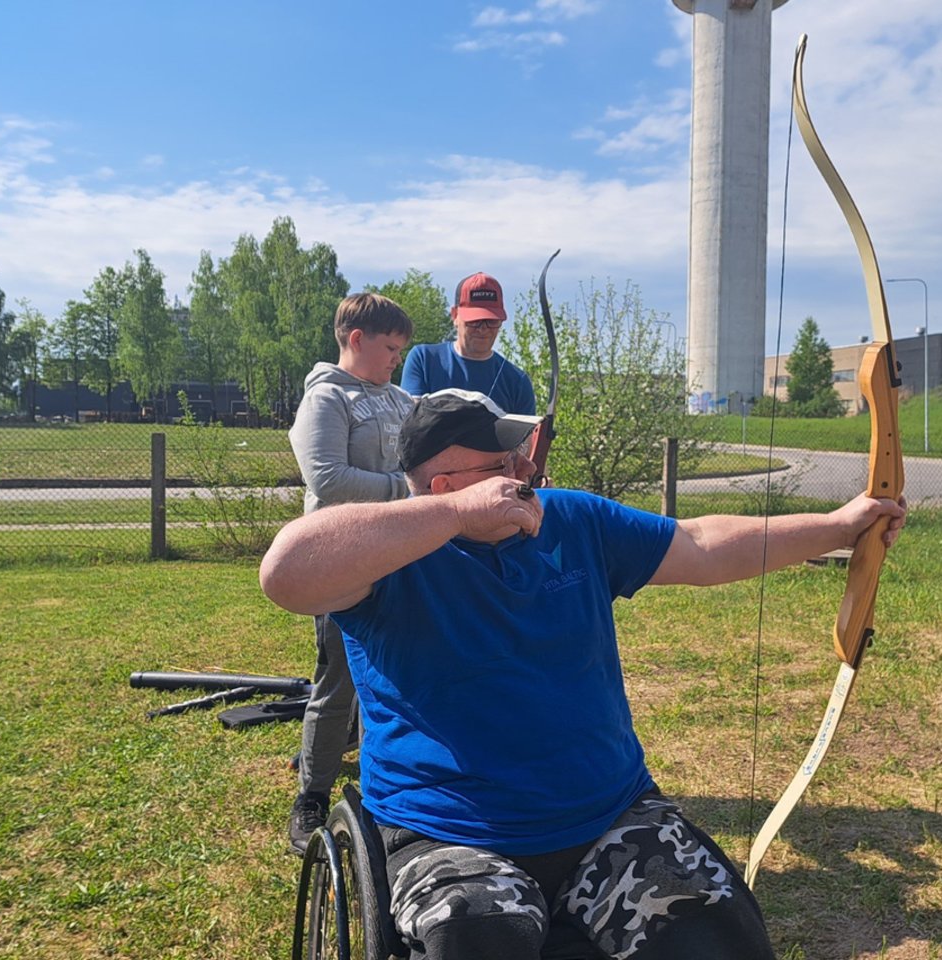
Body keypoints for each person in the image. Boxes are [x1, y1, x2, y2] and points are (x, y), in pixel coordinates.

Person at [260, 389, 906, 960]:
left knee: (716, 927)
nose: (525, 472)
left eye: (521, 459)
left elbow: (702, 544)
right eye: (502, 466)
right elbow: (285, 573)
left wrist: (838, 527)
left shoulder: (570, 519)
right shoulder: (387, 554)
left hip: (608, 816)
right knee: (475, 933)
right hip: (446, 830)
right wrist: (455, 520)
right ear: (444, 485)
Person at [285, 292, 416, 853]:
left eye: (402, 351)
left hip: (398, 553)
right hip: (339, 555)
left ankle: (388, 784)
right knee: (338, 678)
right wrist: (403, 491)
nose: (396, 360)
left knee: (397, 675)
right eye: (389, 348)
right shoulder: (327, 399)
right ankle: (311, 795)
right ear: (355, 340)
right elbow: (328, 479)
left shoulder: (399, 398)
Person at [400, 271, 535, 414]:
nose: (483, 329)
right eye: (474, 321)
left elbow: (527, 435)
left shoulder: (517, 381)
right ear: (454, 315)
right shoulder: (424, 359)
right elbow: (411, 423)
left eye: (491, 321)